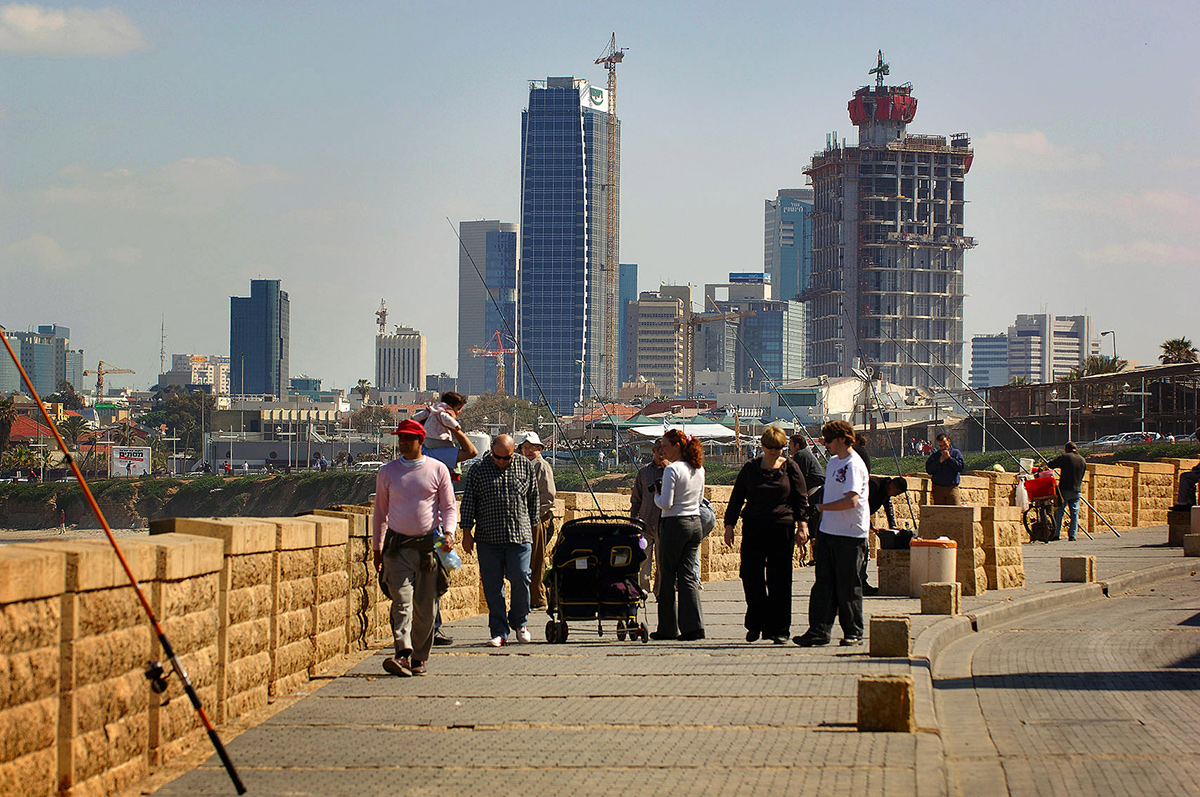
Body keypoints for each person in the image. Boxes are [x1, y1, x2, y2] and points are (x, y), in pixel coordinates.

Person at [371, 419, 456, 677]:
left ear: (421, 440)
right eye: (401, 438)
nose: (403, 442)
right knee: (401, 601)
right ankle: (403, 654)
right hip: (397, 548)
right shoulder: (387, 472)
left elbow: (449, 507)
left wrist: (450, 533)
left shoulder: (437, 469)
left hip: (428, 549)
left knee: (427, 608)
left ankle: (419, 657)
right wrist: (377, 549)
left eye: (408, 438)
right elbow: (380, 513)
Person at [724, 427, 808, 644]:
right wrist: (729, 525)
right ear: (762, 446)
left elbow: (800, 498)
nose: (775, 451)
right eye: (770, 447)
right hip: (754, 527)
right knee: (751, 576)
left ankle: (779, 629)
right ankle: (755, 623)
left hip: (782, 527)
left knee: (780, 579)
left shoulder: (790, 468)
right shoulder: (751, 468)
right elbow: (737, 497)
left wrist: (802, 526)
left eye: (779, 447)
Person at [793, 420, 870, 647]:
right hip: (829, 531)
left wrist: (822, 508)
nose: (826, 444)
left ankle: (853, 631)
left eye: (828, 440)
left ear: (842, 439)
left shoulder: (854, 464)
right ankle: (819, 629)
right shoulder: (834, 462)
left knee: (847, 585)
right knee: (823, 584)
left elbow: (851, 500)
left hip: (851, 535)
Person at [460, 434, 539, 647]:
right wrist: (466, 532)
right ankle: (499, 631)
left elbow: (534, 498)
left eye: (507, 458)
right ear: (492, 451)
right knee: (493, 587)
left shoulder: (525, 466)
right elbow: (468, 502)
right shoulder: (478, 470)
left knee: (522, 577)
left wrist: (532, 526)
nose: (502, 462)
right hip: (488, 537)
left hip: (519, 535)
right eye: (498, 457)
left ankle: (520, 622)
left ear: (514, 452)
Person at [650, 429, 706, 641]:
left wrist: (656, 494)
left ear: (677, 446)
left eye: (664, 446)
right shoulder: (698, 469)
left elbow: (666, 503)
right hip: (694, 524)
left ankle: (667, 628)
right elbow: (700, 500)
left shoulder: (672, 470)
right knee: (688, 576)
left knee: (667, 576)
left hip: (674, 524)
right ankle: (694, 627)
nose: (661, 450)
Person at [519, 432, 556, 609]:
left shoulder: (541, 466)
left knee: (536, 560)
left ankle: (538, 598)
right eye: (524, 448)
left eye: (530, 448)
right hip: (526, 519)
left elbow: (548, 496)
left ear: (539, 449)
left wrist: (533, 514)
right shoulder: (525, 465)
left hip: (539, 519)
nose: (527, 451)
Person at [630, 439, 667, 596]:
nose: (661, 453)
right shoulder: (644, 472)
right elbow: (636, 498)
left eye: (664, 450)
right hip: (645, 523)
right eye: (659, 450)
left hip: (663, 524)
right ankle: (643, 590)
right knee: (643, 560)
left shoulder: (670, 472)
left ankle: (660, 591)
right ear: (653, 450)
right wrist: (633, 519)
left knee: (662, 562)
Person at [863, 476, 909, 595]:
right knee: (862, 551)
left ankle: (861, 583)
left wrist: (892, 525)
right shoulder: (874, 485)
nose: (894, 495)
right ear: (892, 485)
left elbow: (888, 507)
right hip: (855, 518)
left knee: (864, 553)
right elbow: (863, 505)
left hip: (863, 520)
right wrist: (871, 526)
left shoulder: (885, 491)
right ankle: (859, 584)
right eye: (896, 493)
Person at [413, 391, 468, 473]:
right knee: (449, 446)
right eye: (458, 409)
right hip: (439, 441)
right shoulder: (443, 413)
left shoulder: (418, 453)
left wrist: (412, 420)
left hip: (428, 440)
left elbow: (416, 417)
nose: (459, 412)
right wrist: (455, 427)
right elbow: (472, 452)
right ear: (450, 407)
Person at [1047, 442, 1086, 541]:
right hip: (1077, 490)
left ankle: (1056, 534)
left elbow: (1051, 465)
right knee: (1074, 513)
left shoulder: (1066, 457)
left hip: (1064, 489)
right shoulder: (1082, 460)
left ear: (1067, 449)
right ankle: (1072, 535)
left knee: (1059, 512)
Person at [925, 433, 965, 505]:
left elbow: (961, 467)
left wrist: (949, 458)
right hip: (938, 489)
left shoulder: (956, 453)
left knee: (954, 512)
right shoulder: (936, 455)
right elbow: (929, 470)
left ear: (949, 442)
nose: (943, 447)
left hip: (952, 488)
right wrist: (939, 462)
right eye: (940, 446)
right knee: (939, 513)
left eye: (945, 444)